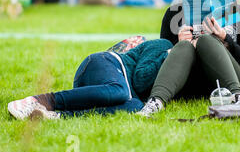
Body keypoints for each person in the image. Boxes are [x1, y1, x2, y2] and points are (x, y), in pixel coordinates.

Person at [7, 39, 173, 120]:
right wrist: (168, 55)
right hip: (104, 63)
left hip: (104, 92)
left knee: (136, 106)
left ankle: (56, 116)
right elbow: (140, 79)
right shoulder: (163, 45)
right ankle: (39, 100)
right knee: (120, 91)